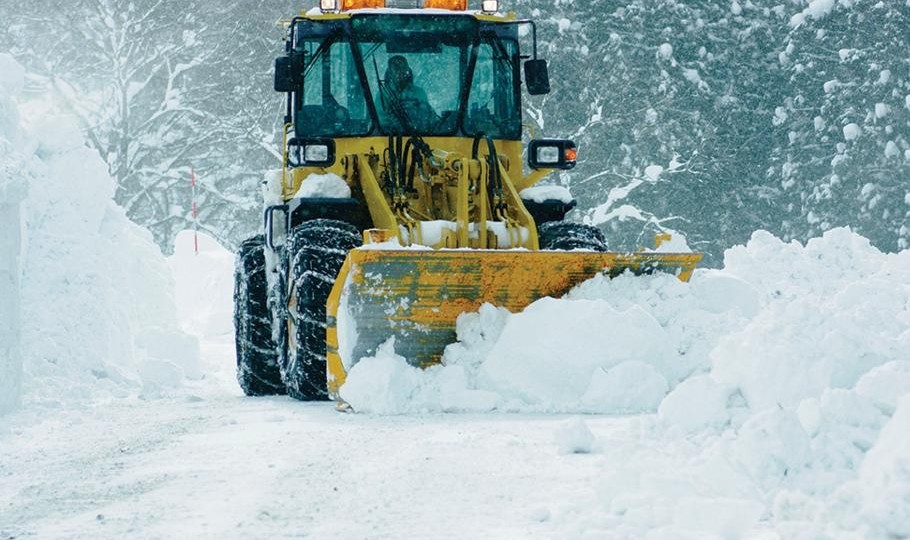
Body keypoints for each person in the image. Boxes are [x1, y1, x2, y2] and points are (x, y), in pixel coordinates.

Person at [382, 55, 437, 131]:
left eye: (403, 68)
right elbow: (381, 121)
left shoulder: (419, 93)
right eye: (396, 68)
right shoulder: (383, 94)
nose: (401, 71)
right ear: (390, 73)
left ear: (408, 71)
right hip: (389, 138)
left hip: (421, 136)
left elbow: (426, 117)